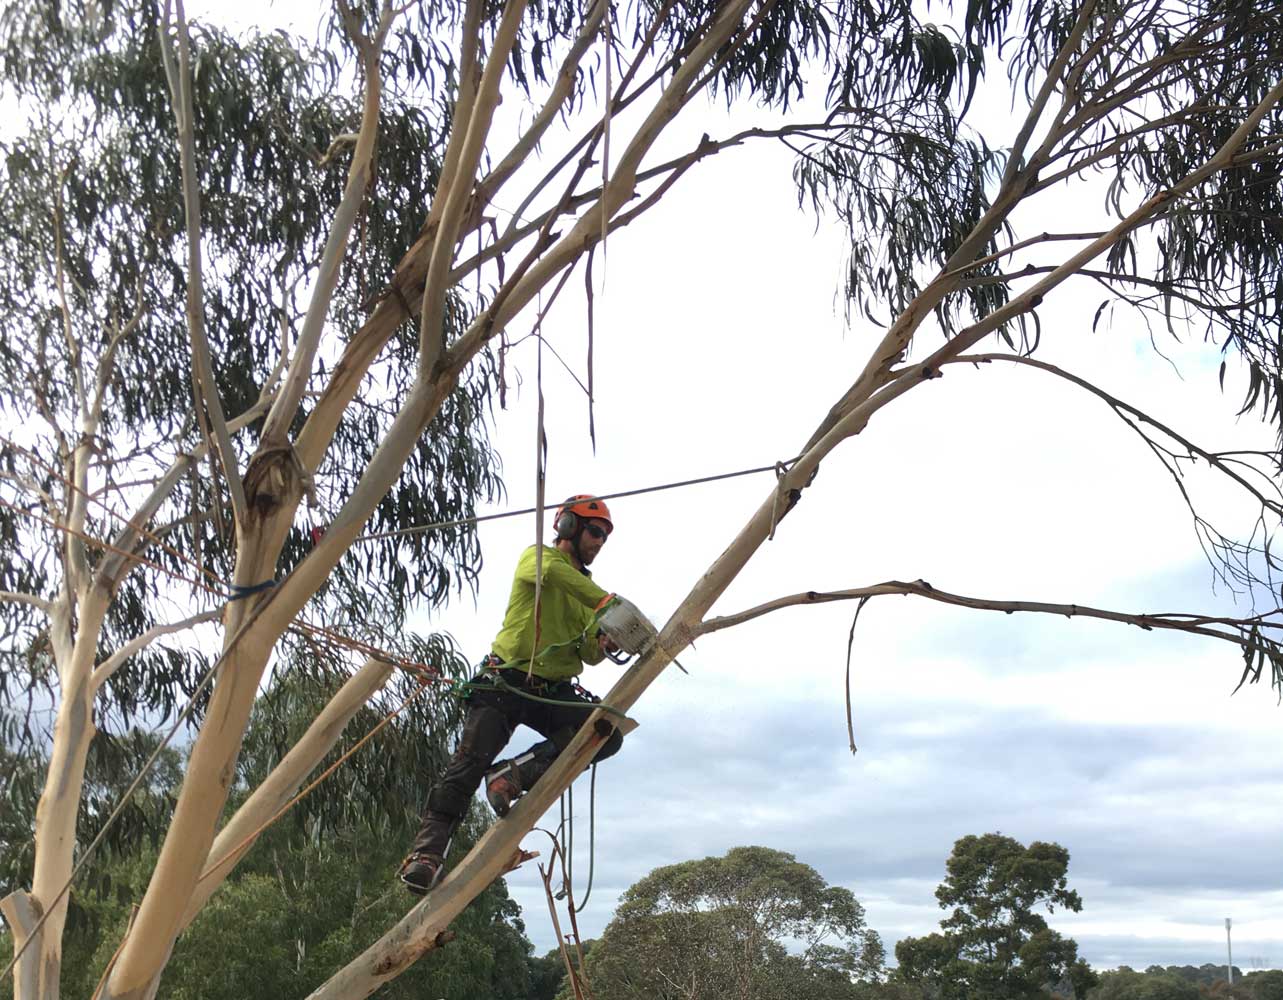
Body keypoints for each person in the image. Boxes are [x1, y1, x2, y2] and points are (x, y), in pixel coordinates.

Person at [400, 494, 626, 895]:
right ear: (568, 527)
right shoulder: (538, 560)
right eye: (594, 531)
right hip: (505, 681)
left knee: (605, 733)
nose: (600, 542)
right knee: (466, 768)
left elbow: (587, 652)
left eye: (606, 537)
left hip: (551, 691)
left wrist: (604, 641)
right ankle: (426, 857)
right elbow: (558, 578)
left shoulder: (589, 595)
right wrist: (608, 605)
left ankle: (513, 774)